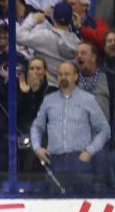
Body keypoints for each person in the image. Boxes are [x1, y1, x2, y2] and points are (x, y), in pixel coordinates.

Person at [31, 61, 111, 193]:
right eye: (60, 74)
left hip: (80, 161)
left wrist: (90, 151)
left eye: (67, 74)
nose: (63, 77)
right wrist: (37, 148)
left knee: (81, 205)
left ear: (75, 76)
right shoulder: (49, 100)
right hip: (55, 161)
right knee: (54, 208)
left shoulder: (88, 99)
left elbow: (104, 130)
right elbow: (36, 127)